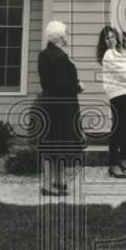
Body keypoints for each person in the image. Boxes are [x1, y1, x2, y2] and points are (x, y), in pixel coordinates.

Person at [37, 19, 85, 197]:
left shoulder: (44, 54)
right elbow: (62, 84)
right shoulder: (59, 57)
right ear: (58, 36)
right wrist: (79, 86)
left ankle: (57, 181)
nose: (66, 36)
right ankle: (48, 184)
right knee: (55, 143)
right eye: (64, 33)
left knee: (54, 142)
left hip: (49, 102)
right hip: (61, 105)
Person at [97, 26, 126, 178]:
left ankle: (124, 160)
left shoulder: (120, 53)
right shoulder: (109, 55)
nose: (111, 40)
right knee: (118, 129)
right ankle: (113, 164)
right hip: (117, 94)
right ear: (104, 41)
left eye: (113, 36)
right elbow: (124, 74)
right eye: (108, 38)